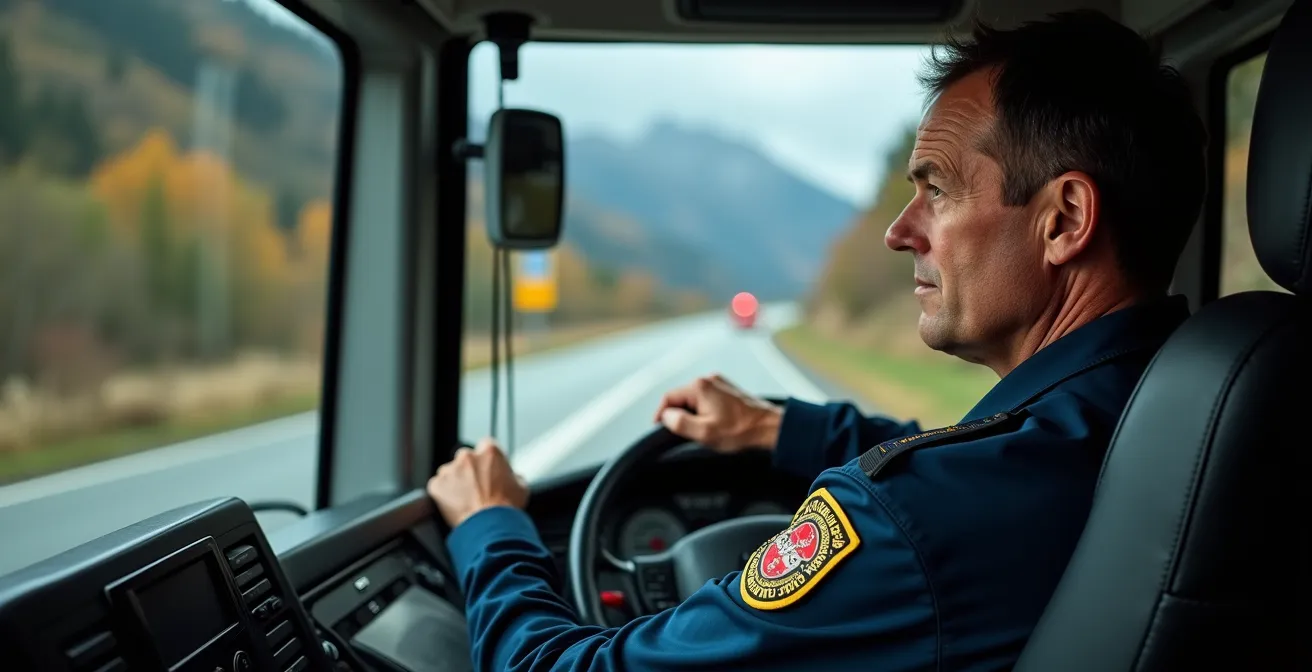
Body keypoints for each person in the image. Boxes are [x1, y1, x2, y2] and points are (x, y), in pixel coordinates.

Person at [427, 9, 1206, 671]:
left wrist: (491, 528)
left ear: (1064, 220)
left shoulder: (904, 525)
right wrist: (776, 428)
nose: (901, 233)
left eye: (936, 189)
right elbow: (981, 459)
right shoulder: (1186, 408)